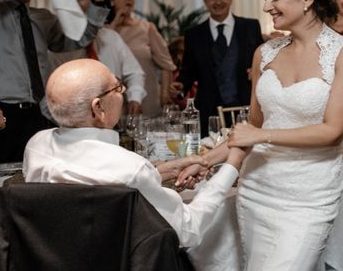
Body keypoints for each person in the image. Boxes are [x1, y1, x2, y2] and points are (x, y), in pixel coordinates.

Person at [221, 0, 343, 271]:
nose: (266, 6)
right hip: (257, 190)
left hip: (307, 198)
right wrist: (206, 161)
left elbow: (331, 132)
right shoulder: (265, 54)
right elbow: (252, 128)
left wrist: (261, 137)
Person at [23, 59, 247, 249]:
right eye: (117, 87)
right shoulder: (130, 168)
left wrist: (158, 172)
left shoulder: (36, 146)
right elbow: (189, 230)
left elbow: (94, 182)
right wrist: (231, 166)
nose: (124, 93)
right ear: (98, 108)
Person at [0, 0, 109, 237]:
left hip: (36, 118)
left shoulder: (42, 19)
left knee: (35, 192)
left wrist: (99, 1)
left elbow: (78, 38)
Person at [179, 0, 263, 134]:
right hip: (208, 114)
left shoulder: (251, 27)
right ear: (205, 1)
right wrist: (179, 87)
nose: (218, 2)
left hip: (245, 109)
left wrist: (257, 69)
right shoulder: (194, 34)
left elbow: (263, 61)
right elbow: (188, 72)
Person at [49, 0, 146, 116]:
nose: (88, 19)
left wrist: (135, 98)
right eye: (81, 14)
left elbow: (135, 72)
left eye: (90, 12)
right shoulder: (58, 48)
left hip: (113, 116)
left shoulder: (111, 38)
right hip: (76, 119)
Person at [105, 0, 175, 117]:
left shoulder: (146, 28)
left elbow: (166, 63)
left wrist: (165, 93)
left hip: (147, 96)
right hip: (113, 99)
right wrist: (115, 22)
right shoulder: (103, 31)